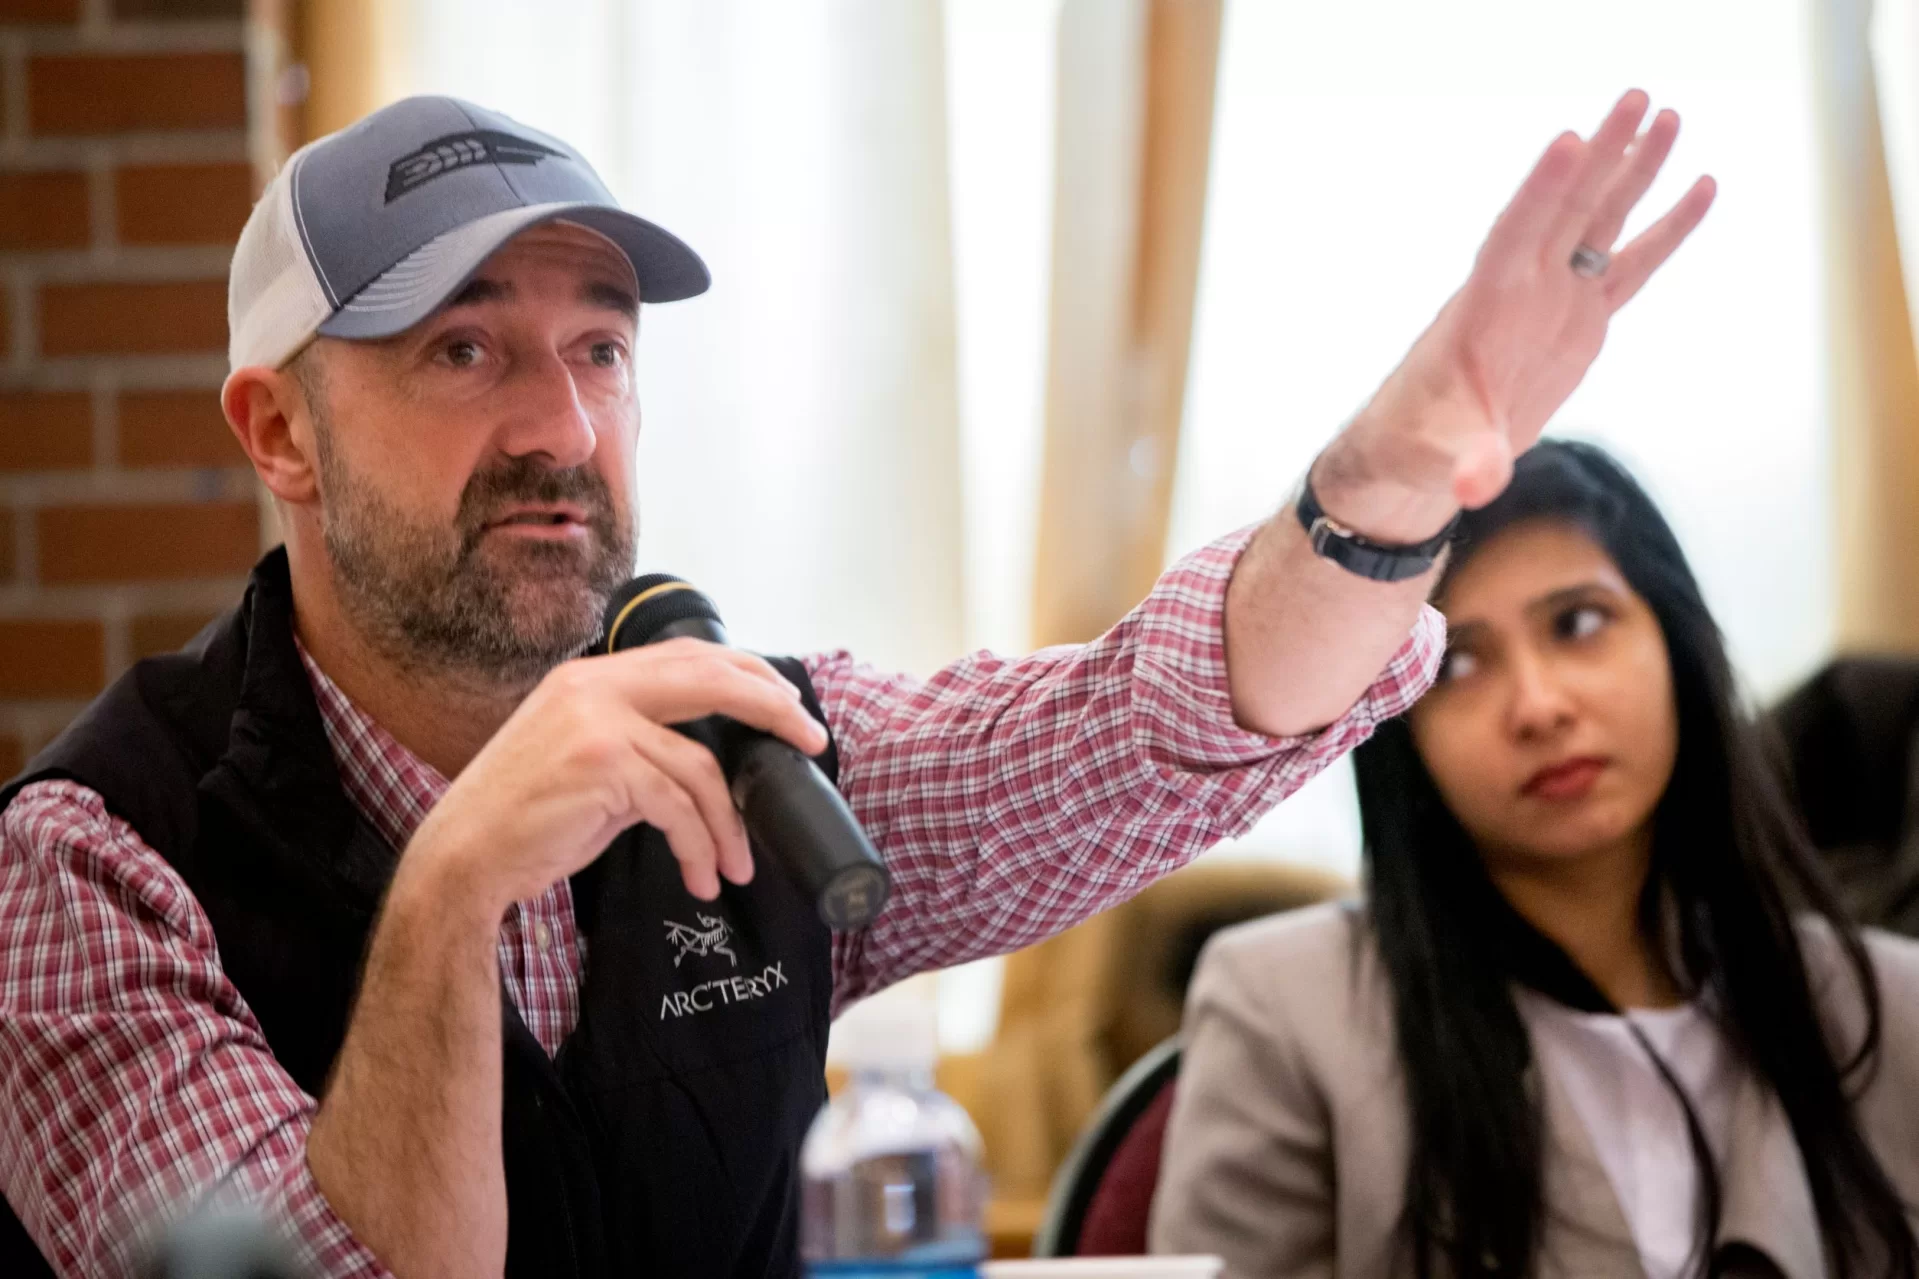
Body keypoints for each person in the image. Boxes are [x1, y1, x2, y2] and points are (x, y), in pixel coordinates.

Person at [0, 86, 1710, 1279]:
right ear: (277, 428)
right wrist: (453, 888)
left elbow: (1143, 719)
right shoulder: (85, 864)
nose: (563, 427)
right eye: (462, 347)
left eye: (598, 345)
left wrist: (1390, 485)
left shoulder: (750, 751)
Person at [1151, 440, 1919, 1279]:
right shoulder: (1284, 1009)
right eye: (1459, 662)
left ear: (1676, 645)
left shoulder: (1892, 1004)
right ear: (1394, 727)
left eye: (1578, 622)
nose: (1538, 705)